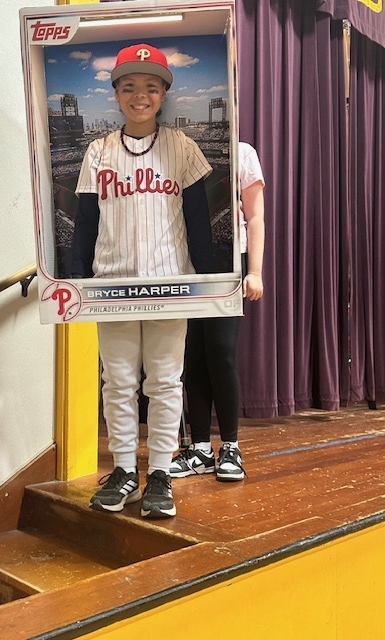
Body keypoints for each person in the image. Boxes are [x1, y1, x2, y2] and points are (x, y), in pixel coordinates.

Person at [71, 43, 213, 518]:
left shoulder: (183, 147)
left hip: (171, 283)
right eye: (129, 86)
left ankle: (159, 473)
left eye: (151, 86)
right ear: (116, 93)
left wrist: (214, 287)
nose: (140, 95)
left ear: (164, 94)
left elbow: (198, 224)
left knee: (166, 382)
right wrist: (75, 287)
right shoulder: (98, 151)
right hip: (111, 284)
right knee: (118, 381)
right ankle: (125, 469)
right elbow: (85, 224)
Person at [169, 142, 265, 481]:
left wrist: (254, 271)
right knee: (193, 355)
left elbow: (255, 216)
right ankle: (199, 449)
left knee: (221, 352)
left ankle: (230, 446)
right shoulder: (179, 152)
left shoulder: (243, 152)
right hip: (189, 263)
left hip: (228, 261)